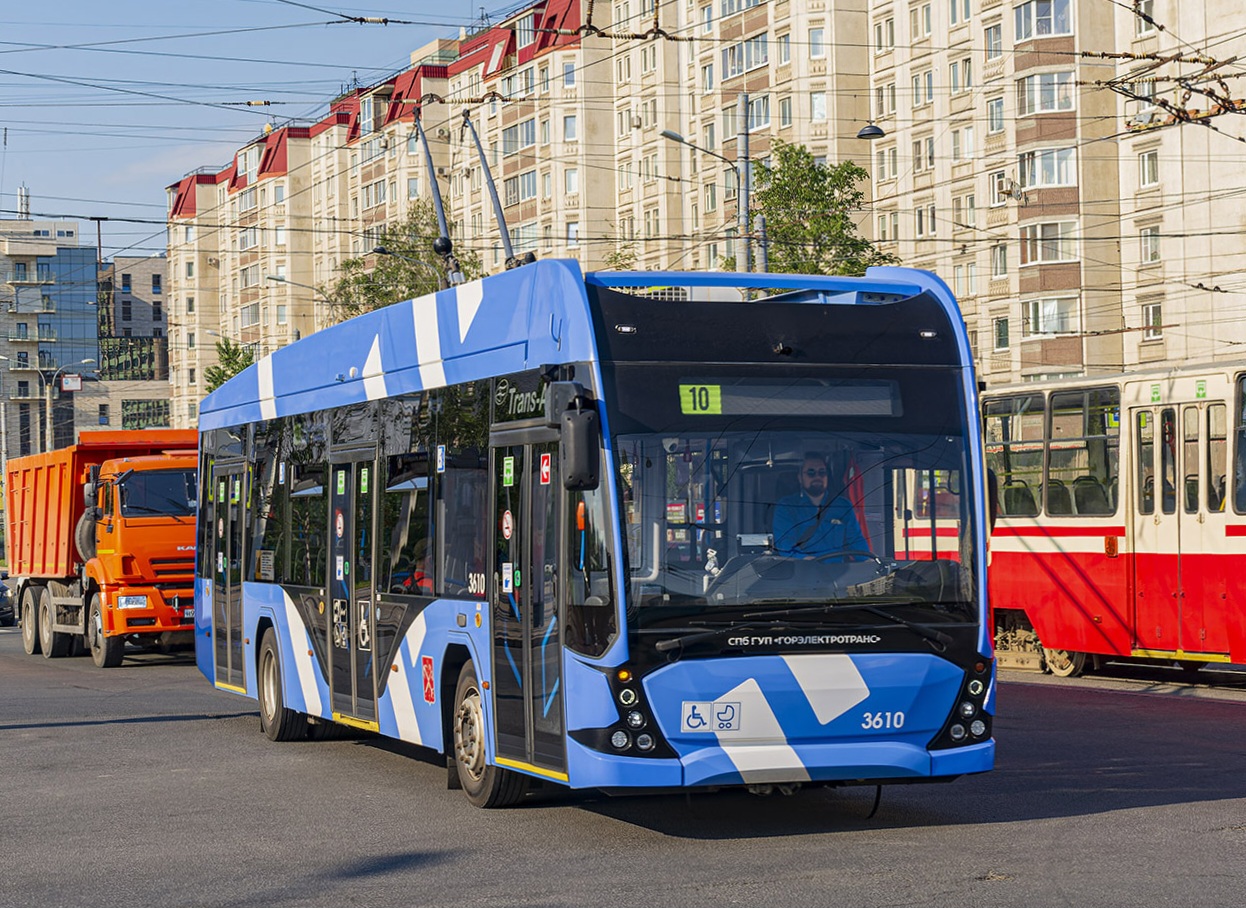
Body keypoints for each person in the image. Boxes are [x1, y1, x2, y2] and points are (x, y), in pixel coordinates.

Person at [772, 452, 869, 559]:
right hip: (802, 572)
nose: (817, 477)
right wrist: (805, 559)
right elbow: (785, 544)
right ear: (800, 477)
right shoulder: (786, 507)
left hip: (838, 573)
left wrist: (867, 562)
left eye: (822, 472)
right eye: (811, 473)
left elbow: (856, 541)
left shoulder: (843, 506)